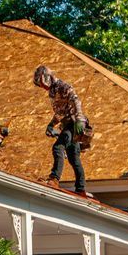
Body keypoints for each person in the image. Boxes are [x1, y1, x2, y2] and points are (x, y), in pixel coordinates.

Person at [33, 65, 92, 193]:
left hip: (74, 123)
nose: (42, 87)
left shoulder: (62, 86)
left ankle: (54, 178)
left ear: (45, 77)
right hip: (67, 124)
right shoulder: (53, 92)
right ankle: (80, 189)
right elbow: (60, 112)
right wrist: (51, 124)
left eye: (41, 82)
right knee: (73, 157)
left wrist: (80, 120)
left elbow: (76, 101)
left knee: (58, 147)